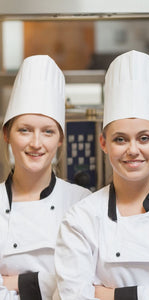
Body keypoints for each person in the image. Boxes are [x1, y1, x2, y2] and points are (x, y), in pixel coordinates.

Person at [54, 50, 149, 299]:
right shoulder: (81, 219)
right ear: (103, 143)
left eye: (144, 138)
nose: (133, 150)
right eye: (120, 139)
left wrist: (108, 295)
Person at [0, 55, 91, 300]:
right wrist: (52, 279)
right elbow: (68, 282)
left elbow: (88, 284)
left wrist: (15, 281)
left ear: (60, 139)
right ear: (7, 134)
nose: (36, 143)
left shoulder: (83, 202)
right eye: (25, 130)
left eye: (48, 132)